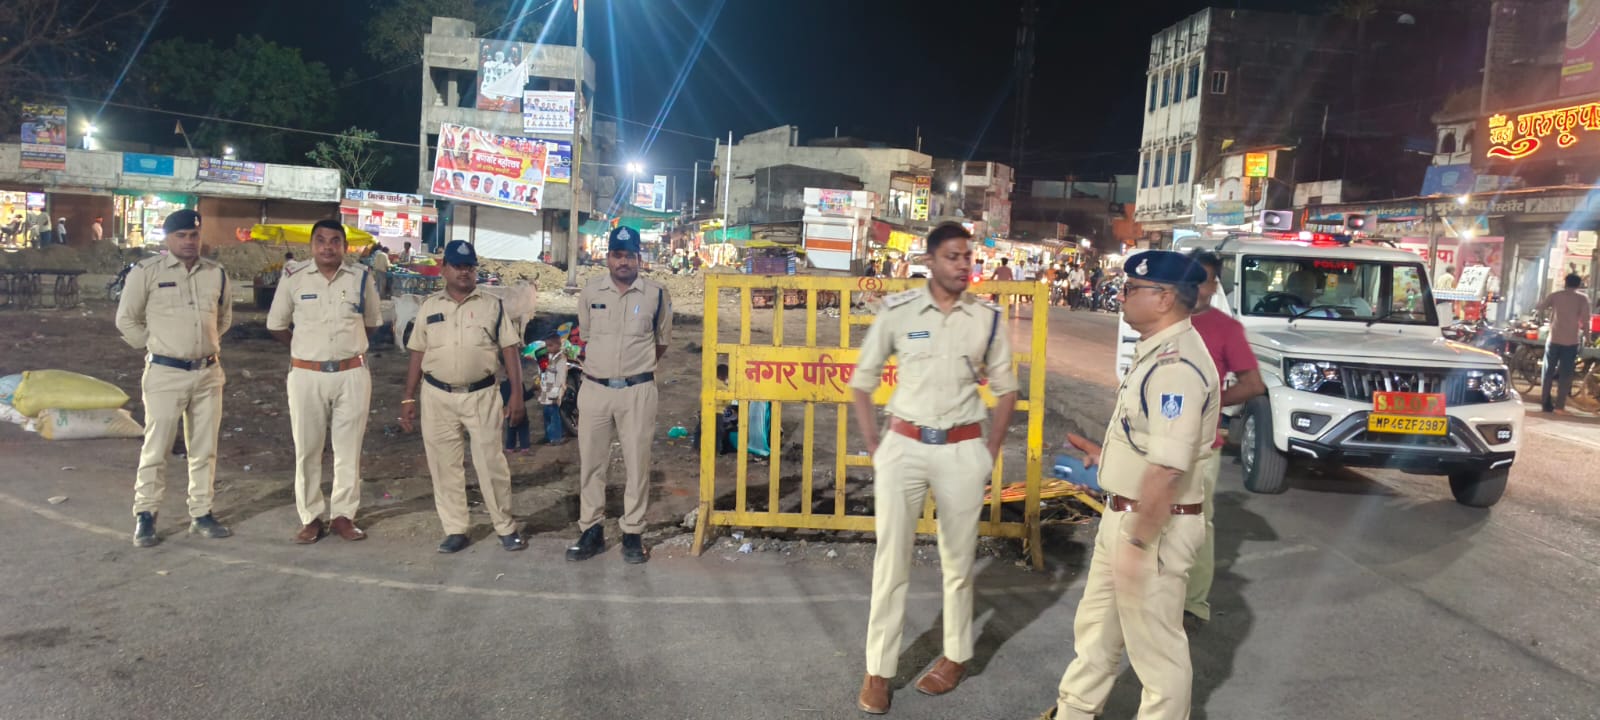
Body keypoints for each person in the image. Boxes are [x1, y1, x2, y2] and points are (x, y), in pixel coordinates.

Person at [1040, 250, 1219, 720]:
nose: (1121, 296)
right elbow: (1149, 443)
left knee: (1157, 653)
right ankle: (1074, 712)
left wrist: (1138, 541)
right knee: (1096, 632)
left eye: (1131, 289)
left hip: (1152, 526)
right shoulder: (1157, 352)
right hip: (1126, 516)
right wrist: (1110, 462)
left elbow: (1169, 467)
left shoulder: (1176, 367)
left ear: (1164, 298)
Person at [852, 221, 1019, 715]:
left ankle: (956, 656)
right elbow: (862, 381)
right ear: (930, 261)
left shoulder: (986, 318)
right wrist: (876, 446)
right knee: (891, 561)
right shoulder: (899, 311)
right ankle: (878, 670)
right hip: (904, 445)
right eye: (953, 256)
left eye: (968, 256)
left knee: (958, 563)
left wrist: (989, 450)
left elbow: (1007, 389)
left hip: (962, 450)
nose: (964, 264)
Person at [114, 210, 234, 547]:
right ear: (167, 238)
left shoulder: (216, 273)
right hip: (165, 374)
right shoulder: (146, 272)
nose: (189, 241)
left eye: (194, 235)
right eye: (181, 235)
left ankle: (201, 512)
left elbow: (223, 318)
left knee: (204, 449)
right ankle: (146, 514)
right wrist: (155, 344)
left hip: (208, 373)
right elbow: (126, 320)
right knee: (157, 447)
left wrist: (205, 344)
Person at [399, 240, 526, 553]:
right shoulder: (429, 307)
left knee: (491, 464)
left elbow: (510, 350)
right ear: (444, 270)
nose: (464, 272)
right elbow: (417, 352)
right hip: (436, 396)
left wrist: (517, 395)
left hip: (482, 395)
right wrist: (408, 397)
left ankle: (505, 526)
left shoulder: (492, 305)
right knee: (444, 466)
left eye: (469, 266)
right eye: (457, 266)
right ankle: (455, 529)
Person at [267, 220, 383, 544]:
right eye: (321, 240)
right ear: (312, 246)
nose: (328, 247)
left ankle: (344, 515)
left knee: (348, 449)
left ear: (345, 247)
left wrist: (346, 347)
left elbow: (372, 323)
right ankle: (311, 517)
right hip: (306, 375)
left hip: (351, 374)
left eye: (335, 241)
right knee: (307, 449)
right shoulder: (293, 277)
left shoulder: (361, 277)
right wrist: (304, 348)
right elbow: (276, 324)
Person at [568, 225, 673, 564]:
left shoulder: (656, 295)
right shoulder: (590, 292)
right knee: (592, 463)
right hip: (595, 389)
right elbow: (586, 336)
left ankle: (632, 532)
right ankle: (591, 530)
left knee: (637, 464)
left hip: (637, 391)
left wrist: (635, 369)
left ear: (639, 258)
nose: (623, 262)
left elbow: (661, 342)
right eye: (617, 255)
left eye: (629, 255)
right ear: (608, 257)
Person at [1180, 252, 1265, 632]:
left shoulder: (1226, 329)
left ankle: (1193, 605)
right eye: (1190, 279)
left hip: (1201, 446)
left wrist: (1212, 403)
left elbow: (1253, 384)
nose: (1196, 287)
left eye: (1205, 280)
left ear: (1214, 286)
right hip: (1155, 443)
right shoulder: (1165, 320)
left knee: (1196, 524)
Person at [1536, 273, 1592, 415]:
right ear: (1579, 285)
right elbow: (1586, 321)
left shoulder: (1556, 295)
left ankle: (1545, 403)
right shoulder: (1582, 299)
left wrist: (1542, 302)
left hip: (1553, 339)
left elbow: (1540, 307)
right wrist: (1588, 338)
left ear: (1565, 282)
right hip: (1571, 341)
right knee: (1565, 374)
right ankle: (1559, 406)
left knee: (1548, 372)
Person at [538, 331, 569, 444]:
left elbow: (561, 377)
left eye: (550, 345)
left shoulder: (561, 359)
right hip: (546, 389)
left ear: (558, 345)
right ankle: (548, 435)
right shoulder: (547, 357)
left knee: (554, 415)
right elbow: (543, 372)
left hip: (554, 391)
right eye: (546, 346)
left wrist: (556, 392)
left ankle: (556, 437)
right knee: (546, 414)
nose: (548, 348)